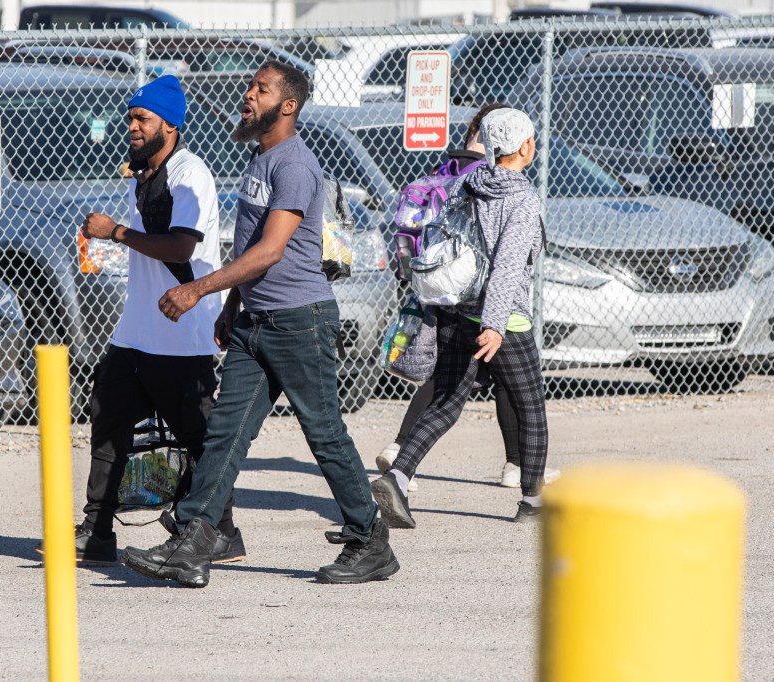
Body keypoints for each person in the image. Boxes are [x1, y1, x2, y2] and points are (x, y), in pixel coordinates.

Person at [121, 61, 399, 588]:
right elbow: (249, 244)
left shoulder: (295, 166)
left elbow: (271, 251)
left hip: (299, 322)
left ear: (287, 105)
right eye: (250, 85)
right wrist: (231, 306)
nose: (248, 94)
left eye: (260, 89)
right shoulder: (260, 157)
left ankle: (370, 540)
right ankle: (194, 542)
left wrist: (199, 289)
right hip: (254, 320)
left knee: (323, 433)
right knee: (226, 433)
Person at [60, 75, 242, 564]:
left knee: (198, 439)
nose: (133, 127)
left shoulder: (189, 174)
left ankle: (220, 531)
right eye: (131, 119)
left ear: (171, 124)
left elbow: (181, 246)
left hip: (182, 338)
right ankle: (97, 531)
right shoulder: (145, 174)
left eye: (143, 119)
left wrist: (115, 231)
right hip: (136, 334)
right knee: (107, 417)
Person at [371, 107, 550, 527]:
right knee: (531, 408)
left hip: (455, 308)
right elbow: (507, 265)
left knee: (447, 402)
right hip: (503, 320)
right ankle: (533, 502)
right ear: (525, 147)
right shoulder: (521, 199)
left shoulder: (468, 180)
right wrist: (494, 324)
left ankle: (397, 477)